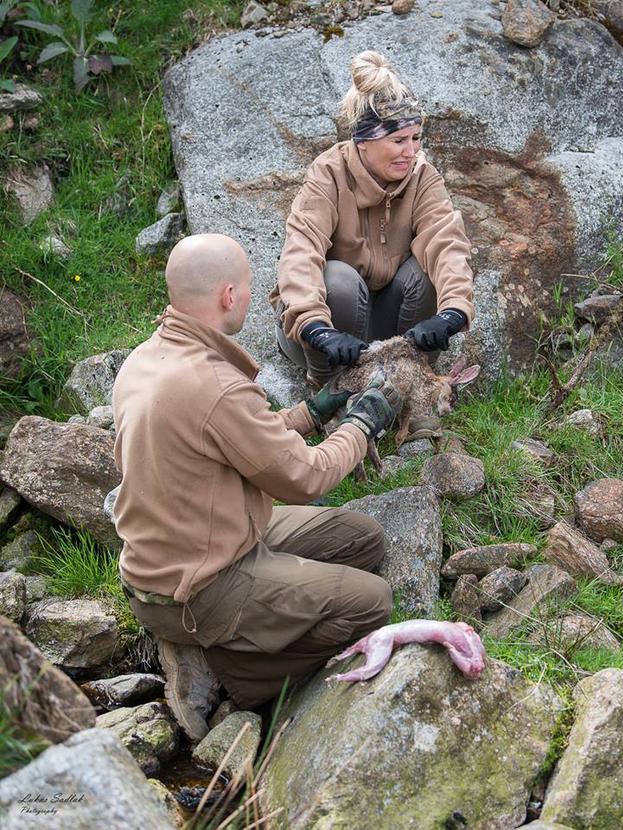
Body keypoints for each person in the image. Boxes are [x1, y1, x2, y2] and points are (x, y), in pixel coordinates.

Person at [111, 233, 402, 742]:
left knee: (362, 538)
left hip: (191, 544)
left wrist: (312, 412)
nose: (251, 295)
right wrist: (363, 423)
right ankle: (234, 675)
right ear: (228, 295)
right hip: (196, 585)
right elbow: (306, 478)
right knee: (371, 601)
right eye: (248, 287)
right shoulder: (213, 383)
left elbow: (240, 437)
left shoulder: (150, 357)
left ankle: (235, 629)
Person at [270, 50, 475, 405]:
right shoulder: (328, 175)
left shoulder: (423, 176)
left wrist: (453, 312)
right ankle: (327, 396)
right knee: (339, 280)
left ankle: (406, 393)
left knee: (424, 273)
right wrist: (315, 327)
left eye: (416, 138)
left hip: (381, 330)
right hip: (323, 333)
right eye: (398, 140)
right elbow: (301, 253)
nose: (410, 151)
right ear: (363, 141)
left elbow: (447, 242)